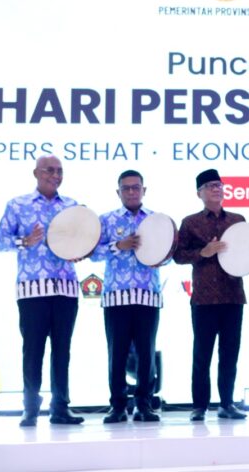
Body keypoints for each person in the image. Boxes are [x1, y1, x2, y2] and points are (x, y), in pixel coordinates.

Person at [0, 155, 84, 426]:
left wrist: (81, 251)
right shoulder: (18, 204)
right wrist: (25, 241)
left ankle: (61, 408)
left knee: (62, 350)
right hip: (32, 290)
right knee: (32, 350)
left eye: (60, 171)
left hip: (66, 288)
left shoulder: (72, 206)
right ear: (36, 173)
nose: (55, 175)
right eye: (49, 170)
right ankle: (30, 408)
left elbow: (85, 240)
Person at [174, 169, 247, 421]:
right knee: (202, 354)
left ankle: (227, 403)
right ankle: (199, 406)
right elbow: (178, 255)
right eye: (209, 186)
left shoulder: (237, 220)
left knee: (230, 354)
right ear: (199, 193)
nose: (216, 189)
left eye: (219, 185)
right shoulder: (190, 222)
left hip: (233, 295)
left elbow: (248, 251)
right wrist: (202, 253)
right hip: (204, 298)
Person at [91, 170, 164, 423]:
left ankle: (144, 405)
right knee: (117, 354)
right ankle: (118, 406)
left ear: (144, 190)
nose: (131, 192)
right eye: (126, 188)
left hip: (147, 295)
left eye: (136, 187)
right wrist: (118, 246)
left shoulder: (156, 220)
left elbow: (168, 253)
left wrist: (161, 258)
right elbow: (92, 253)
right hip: (116, 297)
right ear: (118, 192)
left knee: (146, 354)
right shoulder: (106, 220)